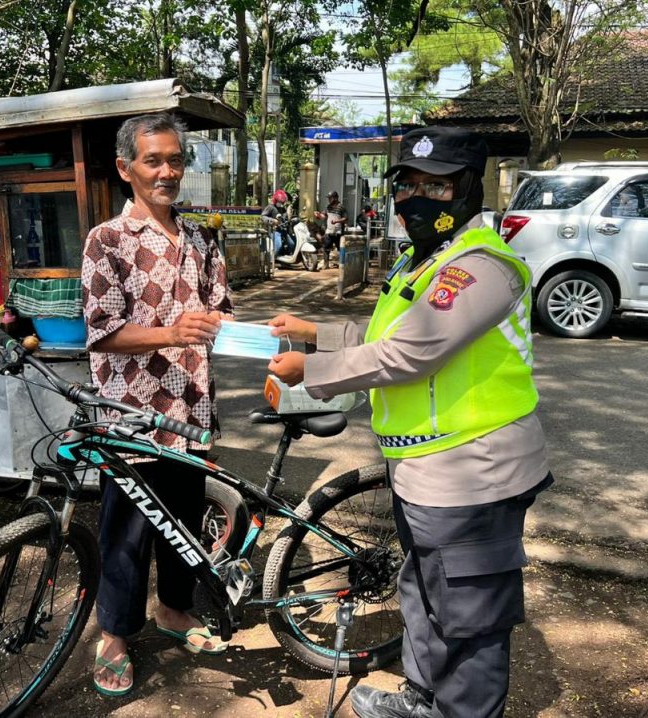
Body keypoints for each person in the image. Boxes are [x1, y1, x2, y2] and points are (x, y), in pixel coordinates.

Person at [266, 126, 552, 718]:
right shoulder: (420, 260)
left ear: (470, 190)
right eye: (409, 184)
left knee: (470, 620)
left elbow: (410, 354)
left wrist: (310, 369)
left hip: (473, 473)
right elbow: (381, 338)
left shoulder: (480, 268)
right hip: (422, 469)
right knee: (422, 591)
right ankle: (423, 701)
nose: (417, 198)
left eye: (438, 186)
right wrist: (312, 332)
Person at [81, 112, 233, 697]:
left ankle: (173, 609)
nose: (167, 171)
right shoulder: (108, 241)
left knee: (184, 525)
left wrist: (240, 329)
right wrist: (173, 331)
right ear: (126, 169)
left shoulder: (200, 237)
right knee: (126, 532)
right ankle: (115, 635)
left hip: (191, 413)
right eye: (154, 160)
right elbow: (102, 331)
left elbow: (220, 309)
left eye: (175, 159)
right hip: (133, 418)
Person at [314, 190, 347, 268]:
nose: (329, 200)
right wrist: (318, 215)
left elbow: (346, 218)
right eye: (328, 198)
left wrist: (337, 221)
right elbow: (323, 216)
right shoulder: (328, 207)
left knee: (341, 249)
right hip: (329, 231)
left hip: (338, 232)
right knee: (326, 248)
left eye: (330, 198)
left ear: (335, 198)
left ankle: (343, 265)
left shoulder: (341, 207)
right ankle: (326, 265)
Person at [262, 189, 293, 255]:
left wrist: (289, 217)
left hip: (283, 229)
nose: (281, 204)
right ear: (275, 200)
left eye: (283, 202)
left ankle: (284, 255)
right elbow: (263, 217)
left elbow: (286, 219)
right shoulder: (270, 207)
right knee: (278, 246)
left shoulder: (283, 208)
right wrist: (273, 221)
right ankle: (273, 259)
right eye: (280, 202)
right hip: (274, 230)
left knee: (292, 244)